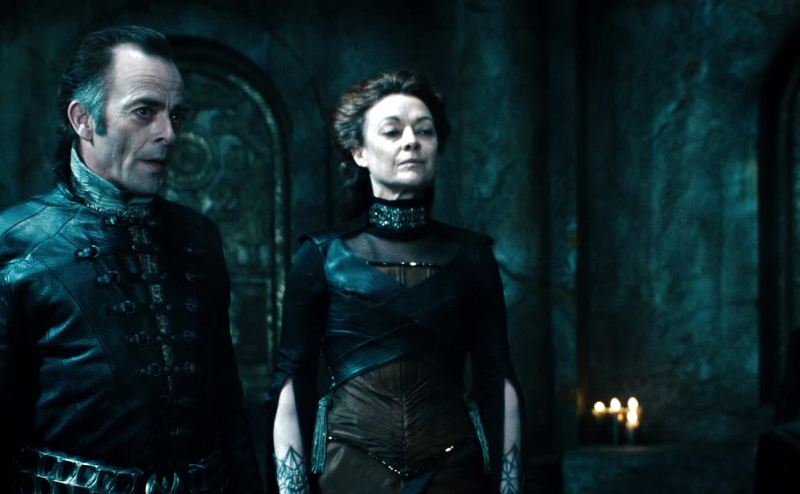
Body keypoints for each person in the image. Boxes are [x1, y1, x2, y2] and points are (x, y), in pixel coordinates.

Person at [0, 25, 264, 494]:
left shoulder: (198, 238)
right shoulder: (17, 242)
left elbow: (226, 403)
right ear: (84, 120)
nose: (169, 133)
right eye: (145, 111)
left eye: (176, 115)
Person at [270, 71, 523, 494]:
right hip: (347, 472)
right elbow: (292, 382)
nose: (411, 142)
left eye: (424, 131)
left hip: (455, 473)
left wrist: (509, 486)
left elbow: (497, 379)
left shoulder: (472, 255)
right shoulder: (321, 255)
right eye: (392, 131)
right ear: (359, 152)